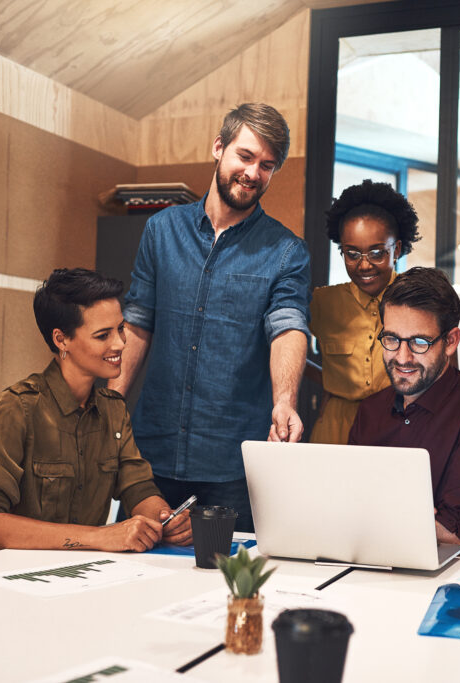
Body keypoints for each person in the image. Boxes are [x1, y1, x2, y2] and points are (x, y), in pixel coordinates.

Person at [109, 103, 311, 532]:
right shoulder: (161, 230)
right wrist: (110, 405)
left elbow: (288, 327)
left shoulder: (287, 251)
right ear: (218, 147)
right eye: (245, 156)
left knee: (227, 586)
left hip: (233, 467)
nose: (254, 173)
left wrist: (284, 401)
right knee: (137, 577)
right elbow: (138, 321)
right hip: (151, 455)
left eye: (267, 165)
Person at [0, 268, 191, 561]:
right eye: (103, 335)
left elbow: (138, 488)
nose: (119, 344)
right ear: (62, 340)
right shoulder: (18, 407)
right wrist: (100, 536)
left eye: (120, 329)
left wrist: (166, 519)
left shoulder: (113, 411)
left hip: (68, 577)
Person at [348, 267, 460, 556]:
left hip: (459, 586)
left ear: (450, 341)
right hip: (376, 570)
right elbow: (348, 511)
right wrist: (417, 517)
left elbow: (458, 537)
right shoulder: (370, 410)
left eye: (419, 342)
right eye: (392, 339)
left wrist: (376, 512)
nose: (402, 357)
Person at [307, 179, 421, 444]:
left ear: (398, 250)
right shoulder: (322, 302)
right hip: (335, 429)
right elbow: (279, 340)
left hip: (398, 424)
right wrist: (328, 380)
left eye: (377, 253)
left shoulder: (418, 300)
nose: (364, 265)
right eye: (352, 254)